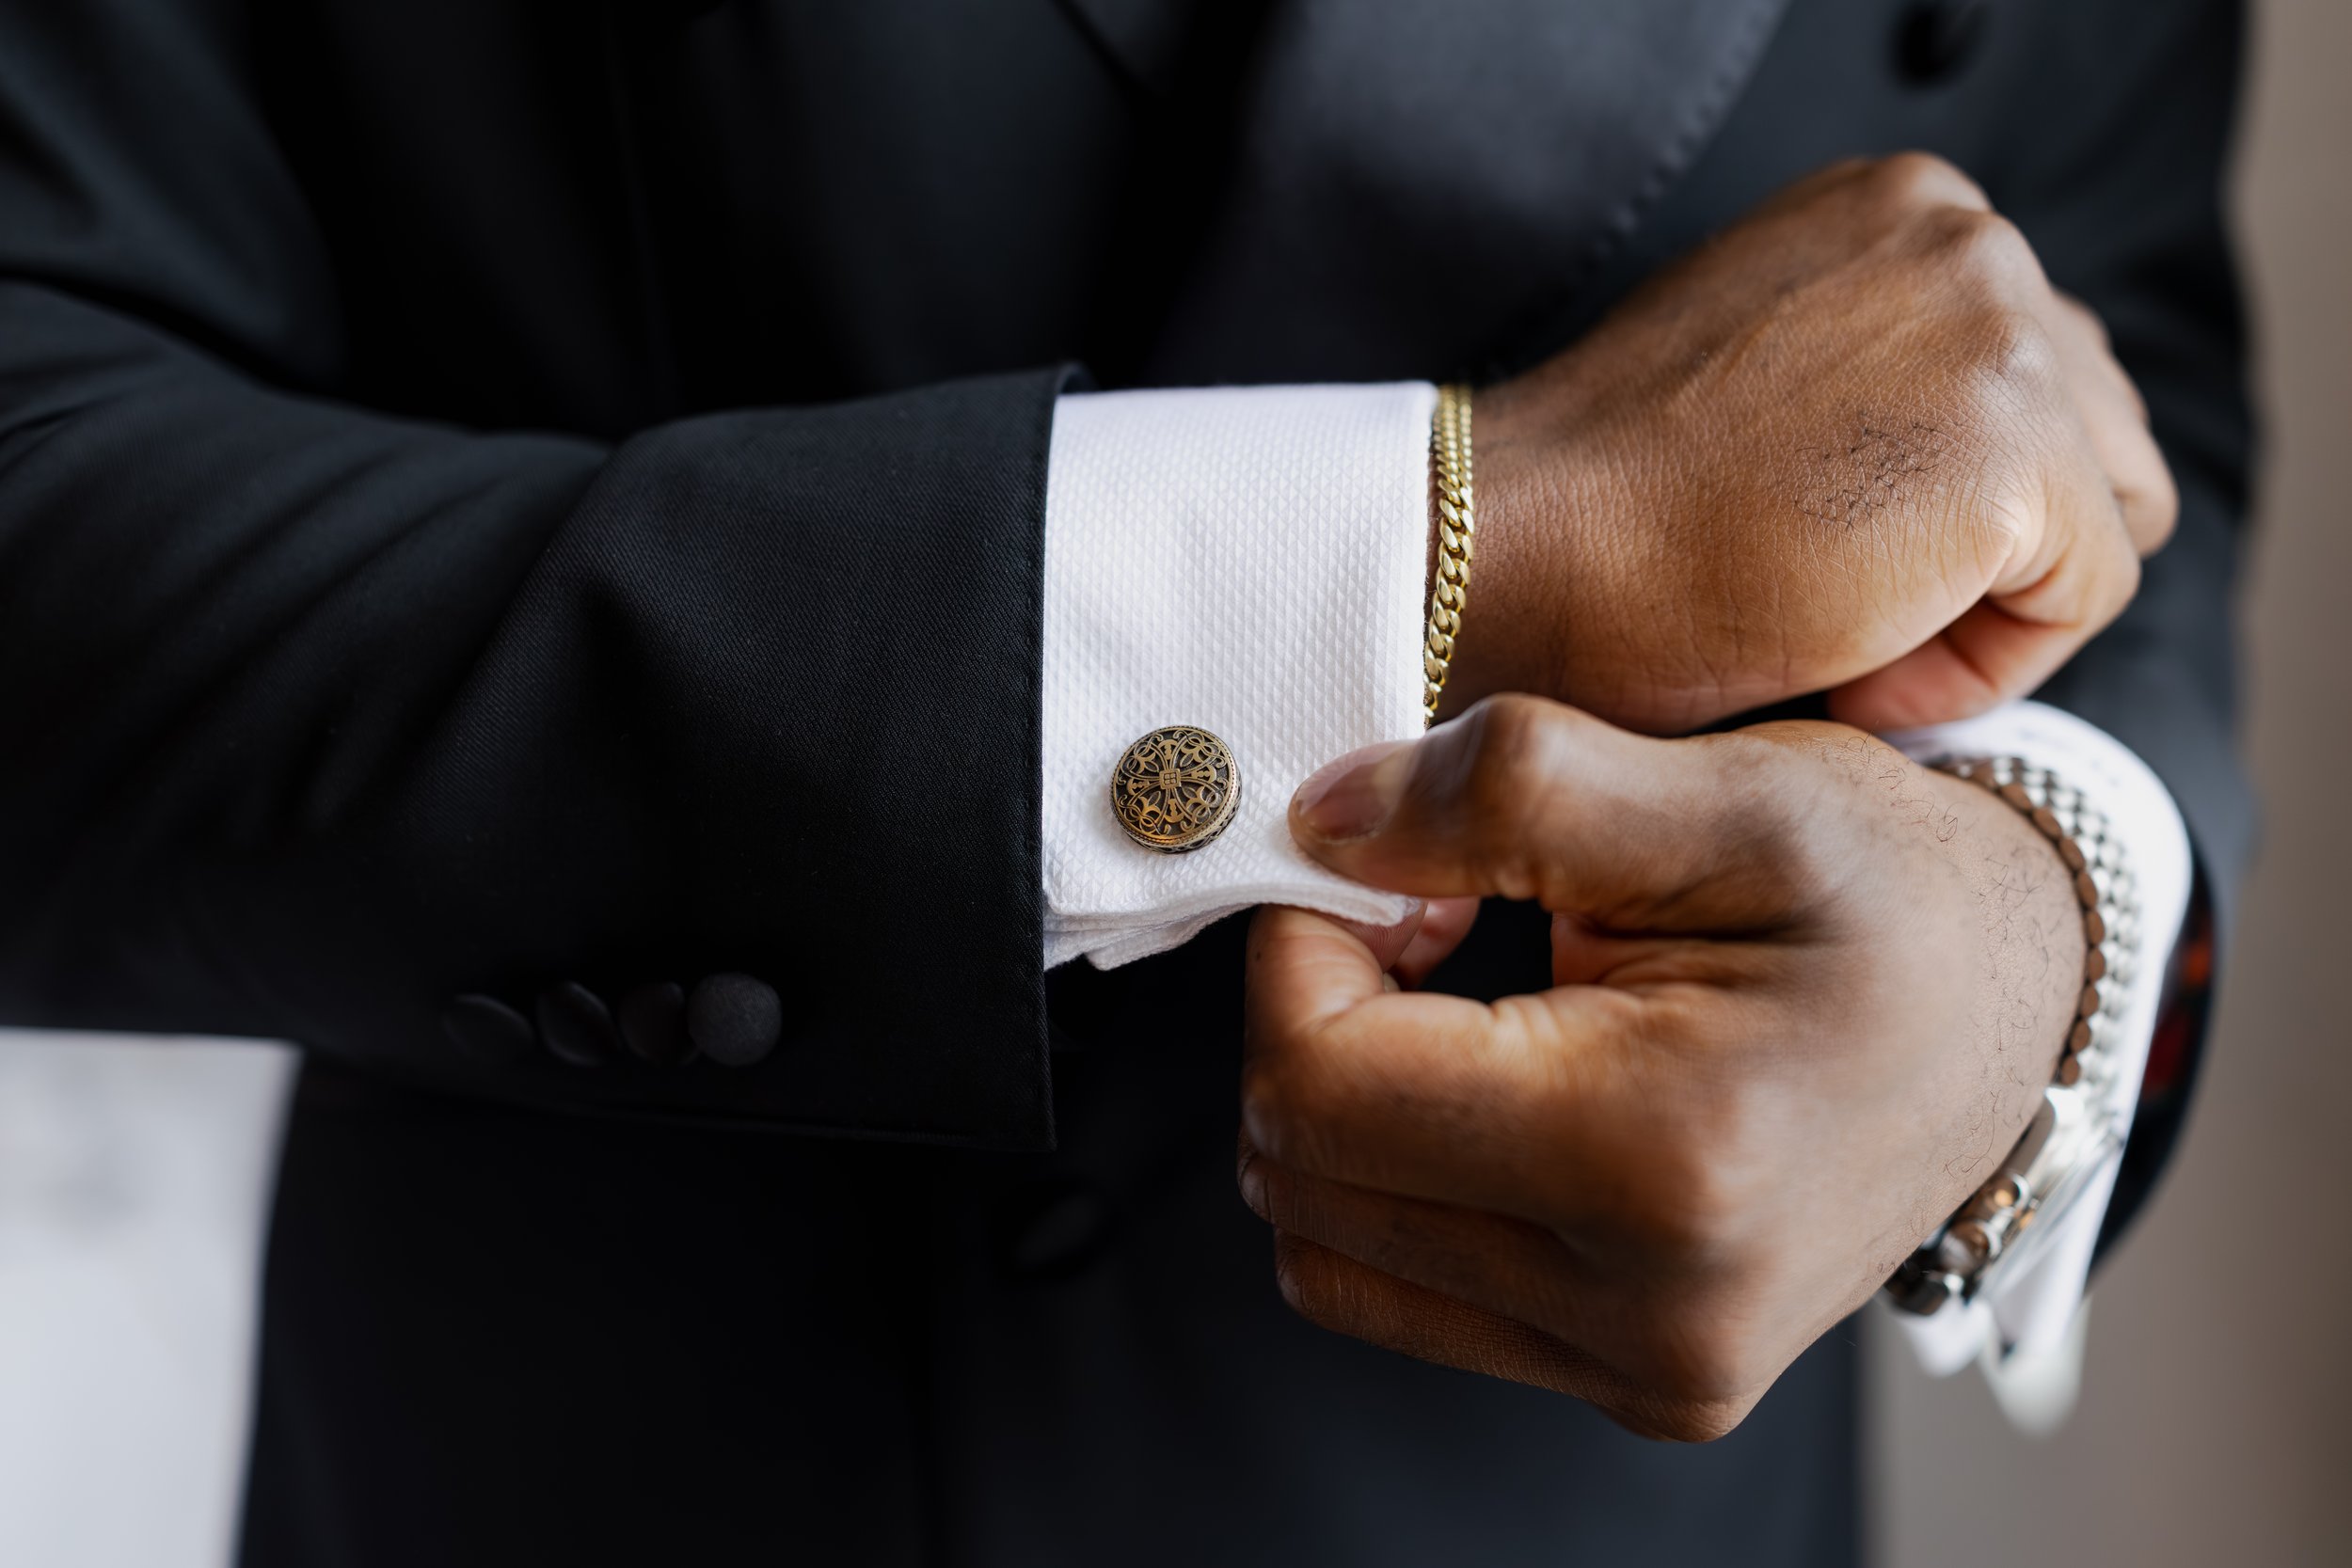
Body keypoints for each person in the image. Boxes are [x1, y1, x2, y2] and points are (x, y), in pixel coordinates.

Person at [0, 0, 2249, 1563]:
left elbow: (2077, 324)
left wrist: (2038, 902)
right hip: (618, 1455)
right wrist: (1436, 553)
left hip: (1596, 1503)